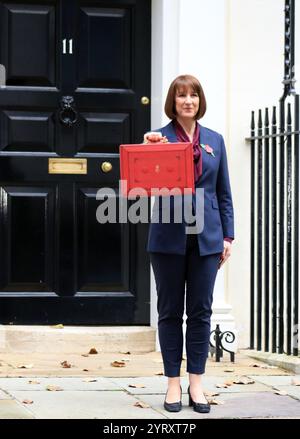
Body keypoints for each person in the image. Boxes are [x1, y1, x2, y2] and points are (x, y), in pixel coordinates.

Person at [144, 74, 234, 413]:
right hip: (167, 239)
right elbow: (141, 186)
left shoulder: (216, 141)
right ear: (173, 101)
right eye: (181, 95)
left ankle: (196, 382)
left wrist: (228, 235)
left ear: (200, 101)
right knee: (169, 312)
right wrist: (149, 151)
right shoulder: (158, 138)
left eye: (193, 95)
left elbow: (224, 193)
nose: (188, 101)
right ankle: (172, 384)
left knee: (200, 311)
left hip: (207, 239)